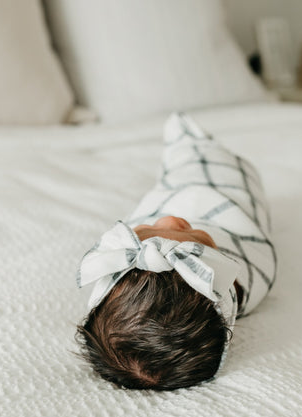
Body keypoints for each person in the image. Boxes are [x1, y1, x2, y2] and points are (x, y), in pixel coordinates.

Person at [76, 113, 277, 390]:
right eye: (186, 236)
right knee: (196, 162)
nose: (168, 220)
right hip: (220, 191)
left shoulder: (130, 270)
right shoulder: (242, 273)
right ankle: (189, 141)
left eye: (145, 231)